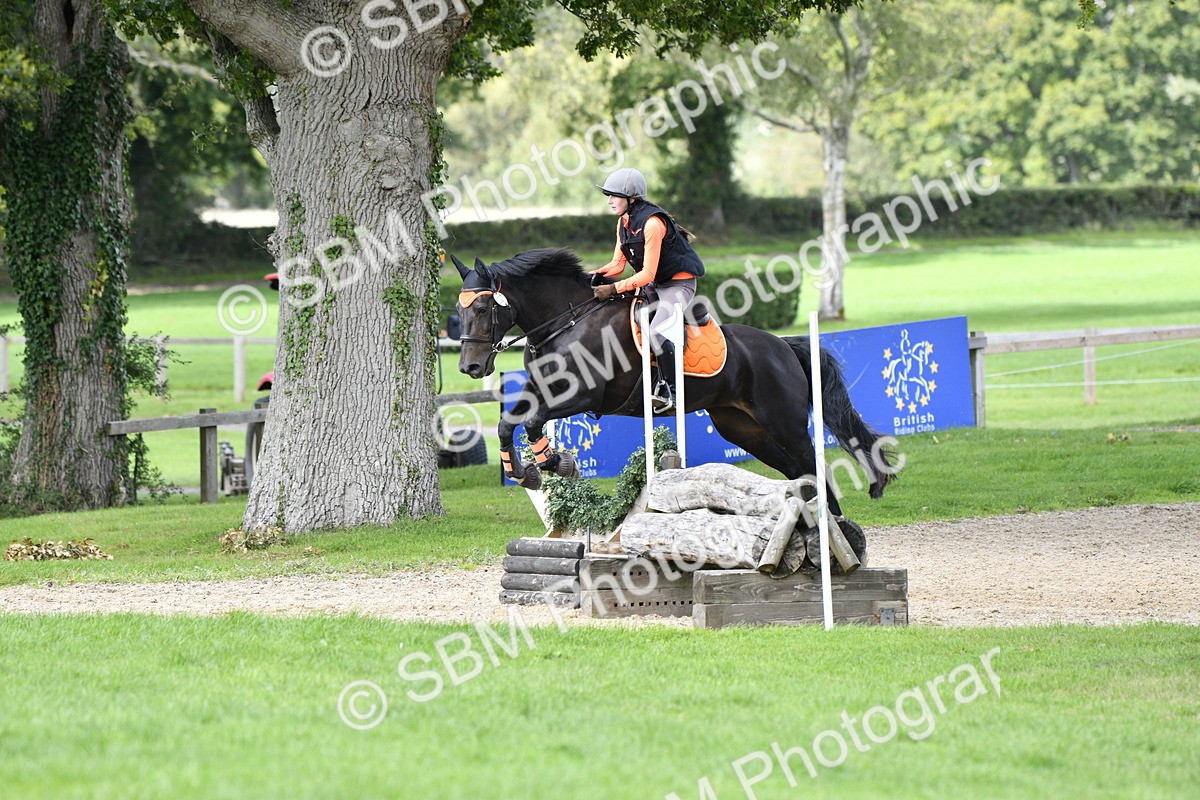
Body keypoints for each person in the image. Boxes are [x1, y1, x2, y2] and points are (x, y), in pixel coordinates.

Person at [590, 167, 705, 413]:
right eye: (608, 196)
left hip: (677, 285)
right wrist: (591, 277)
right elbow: (617, 265)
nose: (609, 201)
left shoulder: (652, 224)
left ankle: (672, 391)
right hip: (655, 285)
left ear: (631, 198)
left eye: (614, 196)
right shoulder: (623, 222)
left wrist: (613, 288)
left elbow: (647, 274)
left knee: (655, 331)